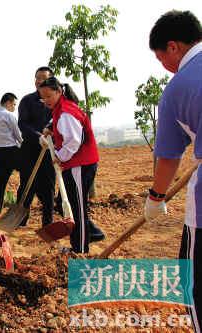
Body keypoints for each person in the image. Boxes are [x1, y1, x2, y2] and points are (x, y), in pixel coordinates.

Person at [144, 10, 201, 332]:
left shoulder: (179, 87)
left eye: (160, 57)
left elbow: (167, 157)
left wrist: (156, 197)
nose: (163, 64)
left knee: (194, 284)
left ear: (173, 47)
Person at [38, 77, 101, 254]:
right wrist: (50, 129)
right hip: (77, 165)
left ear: (58, 92)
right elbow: (63, 127)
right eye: (43, 98)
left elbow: (74, 140)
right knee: (73, 206)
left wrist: (59, 156)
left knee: (77, 210)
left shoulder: (66, 111)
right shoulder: (61, 108)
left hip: (80, 165)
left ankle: (80, 250)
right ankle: (81, 243)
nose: (46, 101)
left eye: (49, 96)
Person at [17, 67, 55, 227]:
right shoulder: (27, 101)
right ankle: (20, 219)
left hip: (48, 151)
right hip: (30, 149)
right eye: (37, 78)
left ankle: (48, 222)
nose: (39, 81)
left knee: (48, 186)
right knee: (26, 184)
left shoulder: (55, 102)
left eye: (43, 78)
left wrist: (49, 133)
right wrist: (38, 136)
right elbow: (22, 123)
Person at [0, 93, 23, 217]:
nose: (14, 107)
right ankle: (22, 205)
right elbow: (18, 135)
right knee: (26, 175)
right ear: (8, 102)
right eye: (13, 104)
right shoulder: (9, 116)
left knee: (0, 182)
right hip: (12, 151)